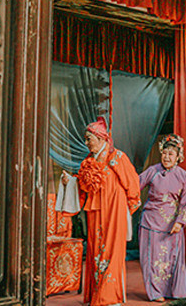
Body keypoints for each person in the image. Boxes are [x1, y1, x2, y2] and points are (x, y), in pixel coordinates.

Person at [74, 116, 141, 306]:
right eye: (86, 139)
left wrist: (128, 207)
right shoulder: (88, 161)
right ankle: (97, 293)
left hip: (114, 211)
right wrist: (70, 182)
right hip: (95, 212)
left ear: (101, 138)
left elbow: (132, 184)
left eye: (89, 139)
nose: (87, 143)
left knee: (112, 251)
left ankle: (109, 297)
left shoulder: (117, 158)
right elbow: (83, 188)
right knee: (95, 250)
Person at [137, 134, 186, 303]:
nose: (167, 157)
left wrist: (180, 222)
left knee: (172, 258)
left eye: (171, 154)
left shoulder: (183, 176)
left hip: (172, 225)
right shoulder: (153, 171)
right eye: (165, 153)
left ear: (178, 157)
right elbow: (135, 186)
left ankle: (175, 291)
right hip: (151, 222)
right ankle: (155, 292)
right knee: (151, 260)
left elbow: (185, 202)